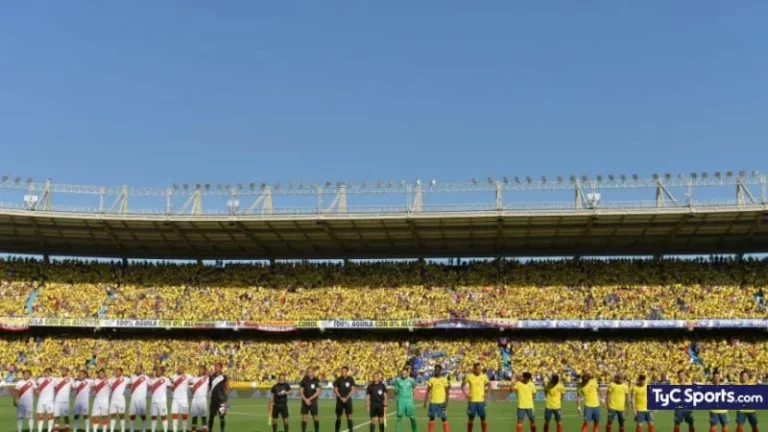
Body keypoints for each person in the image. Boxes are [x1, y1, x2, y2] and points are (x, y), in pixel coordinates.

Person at [461, 363, 489, 432]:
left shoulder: (484, 376)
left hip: (481, 401)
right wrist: (466, 394)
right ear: (474, 369)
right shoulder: (469, 376)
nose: (479, 370)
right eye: (477, 369)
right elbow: (462, 386)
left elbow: (489, 385)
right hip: (472, 401)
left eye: (480, 369)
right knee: (471, 419)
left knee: (483, 418)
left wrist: (486, 394)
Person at [424, 365, 450, 432]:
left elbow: (447, 392)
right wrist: (425, 401)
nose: (436, 371)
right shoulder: (431, 379)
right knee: (431, 418)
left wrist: (446, 402)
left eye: (438, 370)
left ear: (440, 371)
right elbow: (428, 391)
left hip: (442, 403)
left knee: (444, 418)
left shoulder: (444, 379)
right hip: (433, 403)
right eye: (435, 370)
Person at [394, 368, 418, 432]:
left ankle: (415, 430)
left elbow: (414, 386)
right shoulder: (397, 380)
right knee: (399, 417)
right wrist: (397, 396)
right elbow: (396, 390)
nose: (403, 374)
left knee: (412, 417)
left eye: (404, 373)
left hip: (409, 401)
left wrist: (412, 393)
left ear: (407, 373)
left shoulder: (411, 380)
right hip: (401, 401)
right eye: (402, 373)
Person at [207, 363, 229, 432]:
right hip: (214, 400)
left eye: (218, 366)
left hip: (223, 400)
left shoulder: (224, 376)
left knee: (222, 417)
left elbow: (227, 386)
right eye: (215, 366)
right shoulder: (211, 377)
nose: (216, 368)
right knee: (211, 416)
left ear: (221, 368)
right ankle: (210, 430)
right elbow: (210, 387)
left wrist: (226, 397)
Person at [334, 366, 356, 432]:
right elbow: (335, 390)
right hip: (339, 401)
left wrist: (346, 398)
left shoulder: (350, 379)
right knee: (338, 417)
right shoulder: (338, 379)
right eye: (342, 371)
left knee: (349, 417)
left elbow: (353, 389)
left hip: (348, 400)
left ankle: (351, 430)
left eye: (344, 371)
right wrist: (341, 397)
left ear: (347, 372)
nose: (343, 372)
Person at [170, 366, 192, 432]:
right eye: (179, 368)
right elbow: (172, 388)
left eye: (182, 368)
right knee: (174, 415)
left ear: (184, 370)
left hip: (184, 399)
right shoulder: (173, 377)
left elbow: (192, 383)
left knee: (184, 415)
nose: (180, 369)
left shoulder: (188, 376)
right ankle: (175, 430)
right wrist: (170, 386)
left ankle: (184, 430)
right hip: (175, 399)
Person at [128, 365, 149, 432]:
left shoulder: (146, 377)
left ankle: (144, 430)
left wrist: (144, 391)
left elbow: (150, 386)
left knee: (143, 416)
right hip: (133, 399)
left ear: (142, 369)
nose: (137, 369)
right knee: (132, 415)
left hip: (142, 399)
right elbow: (129, 385)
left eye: (139, 368)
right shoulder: (132, 377)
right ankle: (132, 430)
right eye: (136, 368)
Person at [149, 366, 170, 432]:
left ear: (162, 371)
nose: (157, 372)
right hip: (154, 401)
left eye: (159, 370)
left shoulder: (166, 379)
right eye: (156, 370)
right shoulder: (152, 379)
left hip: (162, 402)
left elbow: (171, 387)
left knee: (164, 417)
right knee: (153, 417)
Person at [53, 366, 74, 432]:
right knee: (56, 416)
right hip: (57, 400)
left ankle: (66, 428)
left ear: (67, 371)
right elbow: (54, 388)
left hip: (65, 401)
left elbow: (74, 387)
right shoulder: (57, 379)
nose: (63, 371)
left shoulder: (71, 379)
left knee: (66, 416)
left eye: (65, 370)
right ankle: (56, 428)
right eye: (62, 370)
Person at [189, 366, 210, 432]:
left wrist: (207, 373)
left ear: (204, 371)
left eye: (202, 369)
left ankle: (204, 430)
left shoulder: (207, 378)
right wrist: (191, 388)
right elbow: (190, 387)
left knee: (203, 417)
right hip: (195, 399)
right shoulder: (194, 378)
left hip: (202, 399)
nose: (200, 370)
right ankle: (193, 430)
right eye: (199, 369)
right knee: (194, 416)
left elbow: (211, 375)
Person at [300, 367, 321, 432]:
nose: (309, 373)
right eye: (308, 371)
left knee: (315, 416)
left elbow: (317, 391)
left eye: (311, 371)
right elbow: (301, 391)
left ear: (313, 372)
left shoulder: (316, 380)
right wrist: (305, 399)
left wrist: (310, 399)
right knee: (304, 417)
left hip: (313, 401)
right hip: (305, 401)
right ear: (307, 372)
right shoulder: (304, 380)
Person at [109, 368, 129, 432]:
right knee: (112, 416)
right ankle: (111, 430)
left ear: (121, 372)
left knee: (121, 415)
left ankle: (123, 430)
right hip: (113, 400)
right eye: (116, 371)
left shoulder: (125, 379)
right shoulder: (112, 379)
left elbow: (132, 383)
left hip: (121, 400)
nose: (116, 372)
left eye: (118, 371)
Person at [36, 367, 56, 432]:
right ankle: (39, 430)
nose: (47, 373)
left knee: (50, 416)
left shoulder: (54, 380)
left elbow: (57, 388)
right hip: (41, 400)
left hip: (49, 401)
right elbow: (37, 389)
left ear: (50, 372)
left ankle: (49, 430)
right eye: (46, 371)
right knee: (40, 416)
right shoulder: (40, 379)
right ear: (44, 372)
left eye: (48, 371)